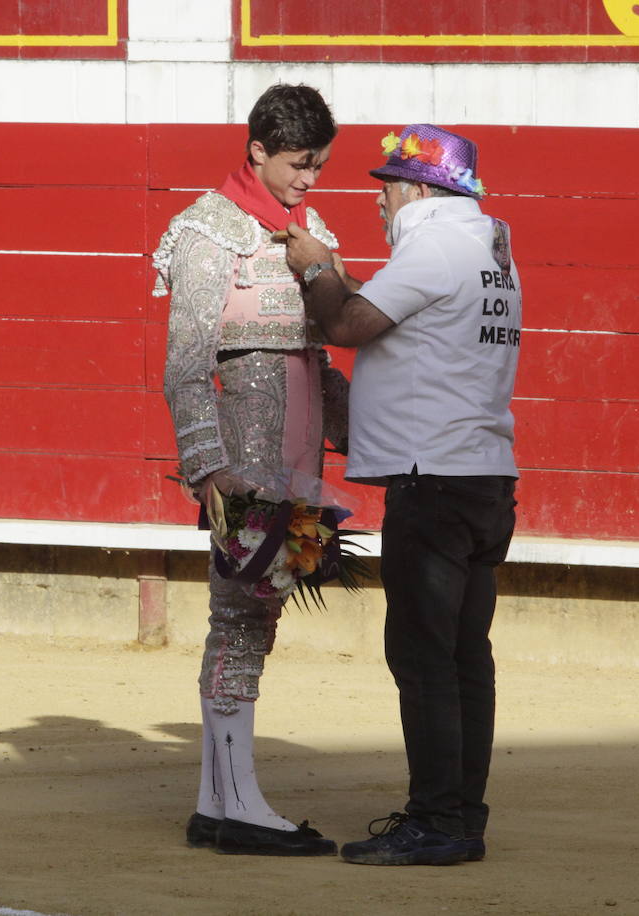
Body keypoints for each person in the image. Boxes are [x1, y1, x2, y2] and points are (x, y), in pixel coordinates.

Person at [284, 124, 522, 866]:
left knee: (422, 658)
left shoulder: (432, 243)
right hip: (484, 476)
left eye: (389, 186)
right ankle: (461, 816)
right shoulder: (488, 249)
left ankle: (437, 821)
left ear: (421, 190)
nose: (381, 201)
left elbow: (346, 324)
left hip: (435, 482)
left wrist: (318, 267)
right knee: (463, 657)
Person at [153, 83, 350, 856]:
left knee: (253, 619)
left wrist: (363, 434)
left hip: (298, 456)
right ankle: (236, 807)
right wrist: (207, 467)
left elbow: (323, 353)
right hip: (242, 461)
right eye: (301, 164)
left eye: (320, 167)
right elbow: (185, 362)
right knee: (240, 616)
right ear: (258, 150)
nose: (311, 180)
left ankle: (217, 801)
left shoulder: (309, 230)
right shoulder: (207, 233)